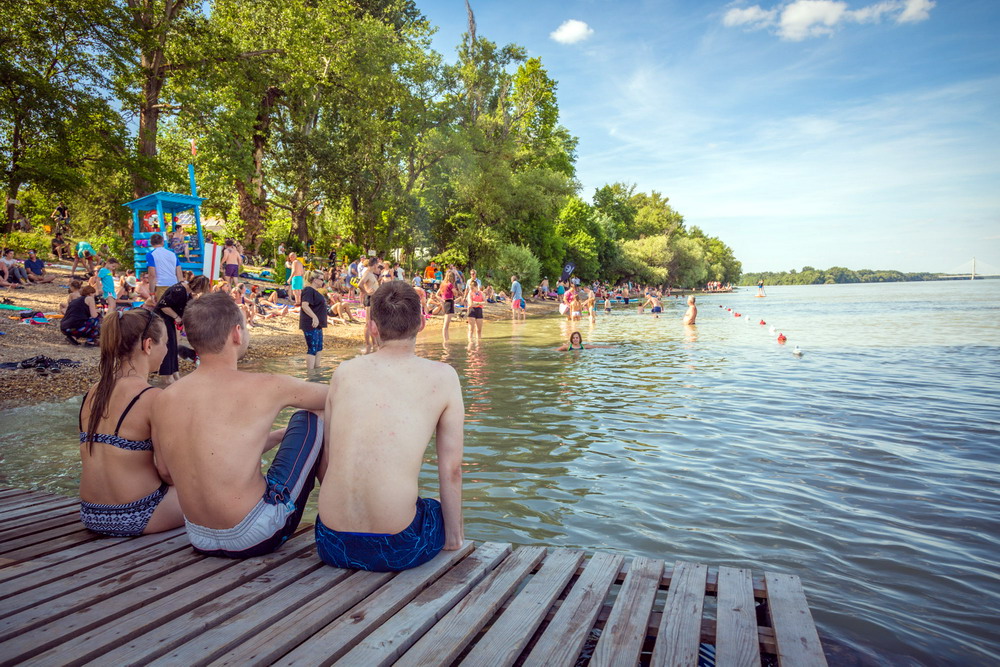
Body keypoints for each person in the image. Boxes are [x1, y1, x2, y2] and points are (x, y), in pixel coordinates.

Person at [152, 292, 328, 558]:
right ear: (236, 333)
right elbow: (338, 397)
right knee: (312, 415)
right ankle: (347, 519)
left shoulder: (165, 398)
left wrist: (281, 435)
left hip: (199, 536)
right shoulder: (268, 385)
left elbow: (166, 472)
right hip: (255, 533)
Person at [316, 281, 464, 571]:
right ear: (422, 323)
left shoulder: (343, 372)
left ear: (372, 327)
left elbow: (328, 458)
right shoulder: (443, 376)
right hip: (397, 547)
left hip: (330, 542)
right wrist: (454, 536)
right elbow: (452, 470)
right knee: (433, 506)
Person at [78, 309, 184, 536]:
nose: (167, 349)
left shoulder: (93, 393)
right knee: (210, 488)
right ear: (148, 345)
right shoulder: (152, 397)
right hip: (137, 514)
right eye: (165, 342)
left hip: (92, 513)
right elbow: (167, 474)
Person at [153, 275, 211, 384]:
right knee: (168, 347)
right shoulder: (178, 290)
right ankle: (167, 377)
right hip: (161, 319)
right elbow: (163, 306)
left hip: (169, 320)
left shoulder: (186, 292)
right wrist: (177, 318)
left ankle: (174, 373)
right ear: (197, 287)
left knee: (173, 346)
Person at [300, 270, 328, 370]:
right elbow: (304, 305)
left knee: (319, 348)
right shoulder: (308, 290)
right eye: (321, 279)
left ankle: (317, 371)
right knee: (312, 348)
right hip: (310, 324)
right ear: (315, 280)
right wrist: (314, 317)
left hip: (318, 324)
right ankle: (310, 374)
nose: (323, 282)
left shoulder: (315, 292)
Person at [146, 233, 182, 300]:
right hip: (174, 284)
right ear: (162, 242)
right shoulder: (172, 254)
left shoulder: (150, 254)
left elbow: (152, 275)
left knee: (162, 308)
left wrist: (152, 292)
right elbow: (179, 272)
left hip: (161, 284)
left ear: (151, 243)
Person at [358, 261, 381, 352]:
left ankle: (375, 343)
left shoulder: (371, 274)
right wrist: (366, 292)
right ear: (374, 264)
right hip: (369, 298)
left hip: (374, 299)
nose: (378, 266)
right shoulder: (367, 273)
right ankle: (368, 344)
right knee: (368, 323)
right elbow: (360, 284)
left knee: (374, 322)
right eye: (377, 265)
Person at [438, 272, 457, 341]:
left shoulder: (442, 284)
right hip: (449, 303)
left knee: (446, 325)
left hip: (445, 302)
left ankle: (447, 339)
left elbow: (437, 294)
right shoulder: (450, 284)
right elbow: (455, 293)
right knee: (446, 325)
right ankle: (445, 341)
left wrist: (442, 300)